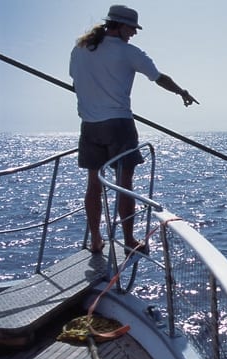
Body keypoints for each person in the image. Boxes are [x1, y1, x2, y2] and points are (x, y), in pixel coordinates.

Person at [70, 5, 198, 254]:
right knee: (124, 183)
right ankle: (129, 241)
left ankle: (96, 239)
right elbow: (159, 77)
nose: (134, 33)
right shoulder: (129, 52)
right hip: (119, 124)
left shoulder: (80, 49)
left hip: (89, 126)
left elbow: (76, 83)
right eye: (132, 28)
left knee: (93, 184)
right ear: (118, 25)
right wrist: (182, 92)